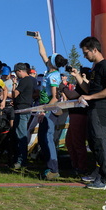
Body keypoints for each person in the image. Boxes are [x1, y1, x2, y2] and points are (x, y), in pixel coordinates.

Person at [75, 36, 106, 189]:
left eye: (86, 53)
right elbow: (89, 90)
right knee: (93, 143)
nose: (85, 56)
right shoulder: (95, 67)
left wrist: (90, 97)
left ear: (94, 50)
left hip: (100, 108)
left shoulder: (105, 65)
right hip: (93, 108)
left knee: (99, 142)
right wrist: (77, 76)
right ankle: (100, 174)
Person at [32, 32, 68, 180]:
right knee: (42, 138)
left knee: (47, 137)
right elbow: (42, 53)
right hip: (45, 108)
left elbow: (54, 97)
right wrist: (39, 39)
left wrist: (44, 111)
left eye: (49, 59)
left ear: (52, 63)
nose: (46, 59)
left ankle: (54, 169)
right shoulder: (49, 70)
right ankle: (49, 166)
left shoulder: (54, 76)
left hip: (50, 110)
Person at [11, 62, 35, 169]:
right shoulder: (30, 80)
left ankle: (21, 160)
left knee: (21, 135)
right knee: (20, 134)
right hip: (24, 109)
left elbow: (15, 94)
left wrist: (14, 84)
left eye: (16, 72)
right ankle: (19, 159)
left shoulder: (24, 80)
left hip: (22, 111)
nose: (16, 75)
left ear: (19, 71)